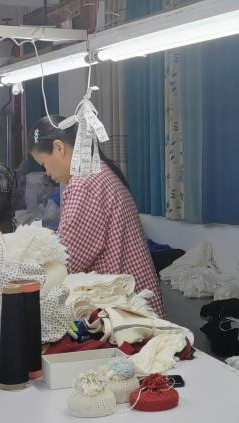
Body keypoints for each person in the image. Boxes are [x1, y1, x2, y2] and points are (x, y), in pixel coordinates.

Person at [32, 119, 163, 316]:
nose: (47, 172)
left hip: (124, 307)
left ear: (59, 148)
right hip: (136, 298)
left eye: (44, 164)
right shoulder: (98, 170)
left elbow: (68, 259)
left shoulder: (84, 182)